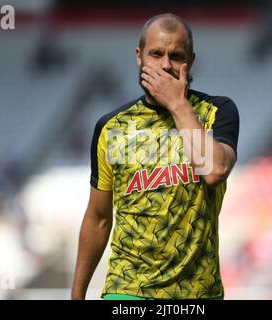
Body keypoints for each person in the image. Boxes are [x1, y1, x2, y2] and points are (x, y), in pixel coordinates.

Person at [71, 13, 239, 300]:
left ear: (191, 61)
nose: (165, 64)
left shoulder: (218, 111)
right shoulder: (112, 127)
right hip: (128, 290)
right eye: (156, 54)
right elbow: (98, 218)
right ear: (139, 57)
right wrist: (77, 295)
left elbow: (214, 171)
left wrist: (176, 102)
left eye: (176, 56)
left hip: (197, 293)